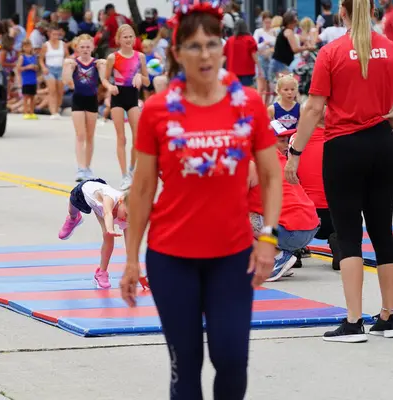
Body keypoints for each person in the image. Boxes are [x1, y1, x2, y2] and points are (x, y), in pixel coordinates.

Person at [120, 3, 283, 399]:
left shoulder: (247, 103)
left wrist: (269, 238)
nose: (205, 54)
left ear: (224, 47)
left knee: (231, 360)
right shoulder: (157, 111)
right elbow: (142, 190)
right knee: (186, 366)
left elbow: (270, 174)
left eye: (213, 43)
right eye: (194, 46)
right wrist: (129, 259)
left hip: (232, 255)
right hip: (171, 256)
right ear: (177, 53)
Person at [285, 0, 393, 342]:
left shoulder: (331, 52)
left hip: (344, 147)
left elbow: (315, 107)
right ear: (374, 12)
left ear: (342, 12)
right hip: (382, 143)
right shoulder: (390, 49)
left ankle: (352, 322)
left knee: (348, 233)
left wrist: (295, 151)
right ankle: (390, 315)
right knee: (382, 230)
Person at [248, 121, 319, 281]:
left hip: (290, 229)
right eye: (281, 140)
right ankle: (279, 258)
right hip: (309, 227)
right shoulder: (279, 159)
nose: (286, 144)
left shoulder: (250, 161)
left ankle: (277, 257)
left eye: (286, 139)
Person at [58, 179, 144, 289]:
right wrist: (110, 229)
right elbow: (108, 213)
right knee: (73, 210)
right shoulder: (110, 197)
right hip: (84, 192)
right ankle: (74, 219)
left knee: (108, 238)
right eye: (126, 214)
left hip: (101, 207)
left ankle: (101, 273)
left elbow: (130, 248)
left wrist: (138, 272)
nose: (126, 219)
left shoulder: (127, 215)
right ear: (121, 201)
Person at [101, 24, 150, 190]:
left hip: (133, 97)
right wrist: (109, 87)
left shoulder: (140, 57)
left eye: (131, 36)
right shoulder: (113, 58)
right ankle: (124, 176)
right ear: (119, 39)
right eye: (125, 37)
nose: (129, 40)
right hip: (118, 97)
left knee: (137, 138)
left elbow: (148, 81)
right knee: (121, 138)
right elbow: (105, 79)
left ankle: (131, 169)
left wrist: (139, 76)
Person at [290, 107, 338, 270]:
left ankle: (292, 250)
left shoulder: (296, 140)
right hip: (334, 212)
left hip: (306, 214)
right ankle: (338, 242)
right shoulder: (338, 139)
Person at [62, 34, 107, 182]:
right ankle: (80, 168)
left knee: (90, 135)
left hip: (92, 100)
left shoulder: (96, 63)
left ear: (93, 48)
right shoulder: (73, 63)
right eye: (82, 47)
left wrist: (104, 65)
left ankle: (88, 167)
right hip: (78, 100)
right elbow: (66, 80)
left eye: (88, 47)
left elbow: (103, 79)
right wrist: (68, 67)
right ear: (77, 48)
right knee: (80, 135)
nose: (85, 49)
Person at [40, 24, 69, 119]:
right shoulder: (46, 45)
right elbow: (41, 59)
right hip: (50, 69)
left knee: (60, 91)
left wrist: (67, 66)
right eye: (54, 34)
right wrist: (44, 67)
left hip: (60, 69)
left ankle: (57, 109)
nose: (55, 36)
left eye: (57, 34)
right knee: (52, 90)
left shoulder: (63, 44)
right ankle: (53, 112)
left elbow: (67, 56)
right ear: (49, 34)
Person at [223, 19, 263, 87]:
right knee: (246, 92)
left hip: (232, 72)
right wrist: (259, 68)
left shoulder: (230, 40)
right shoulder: (249, 39)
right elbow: (254, 55)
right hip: (247, 72)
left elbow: (223, 55)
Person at [16, 39, 39, 120]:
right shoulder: (22, 57)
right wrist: (27, 67)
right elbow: (18, 68)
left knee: (33, 97)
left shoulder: (34, 57)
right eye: (25, 46)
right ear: (23, 47)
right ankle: (25, 112)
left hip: (33, 79)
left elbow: (37, 67)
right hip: (26, 80)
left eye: (29, 46)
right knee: (26, 97)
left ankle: (32, 112)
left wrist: (35, 67)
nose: (27, 48)